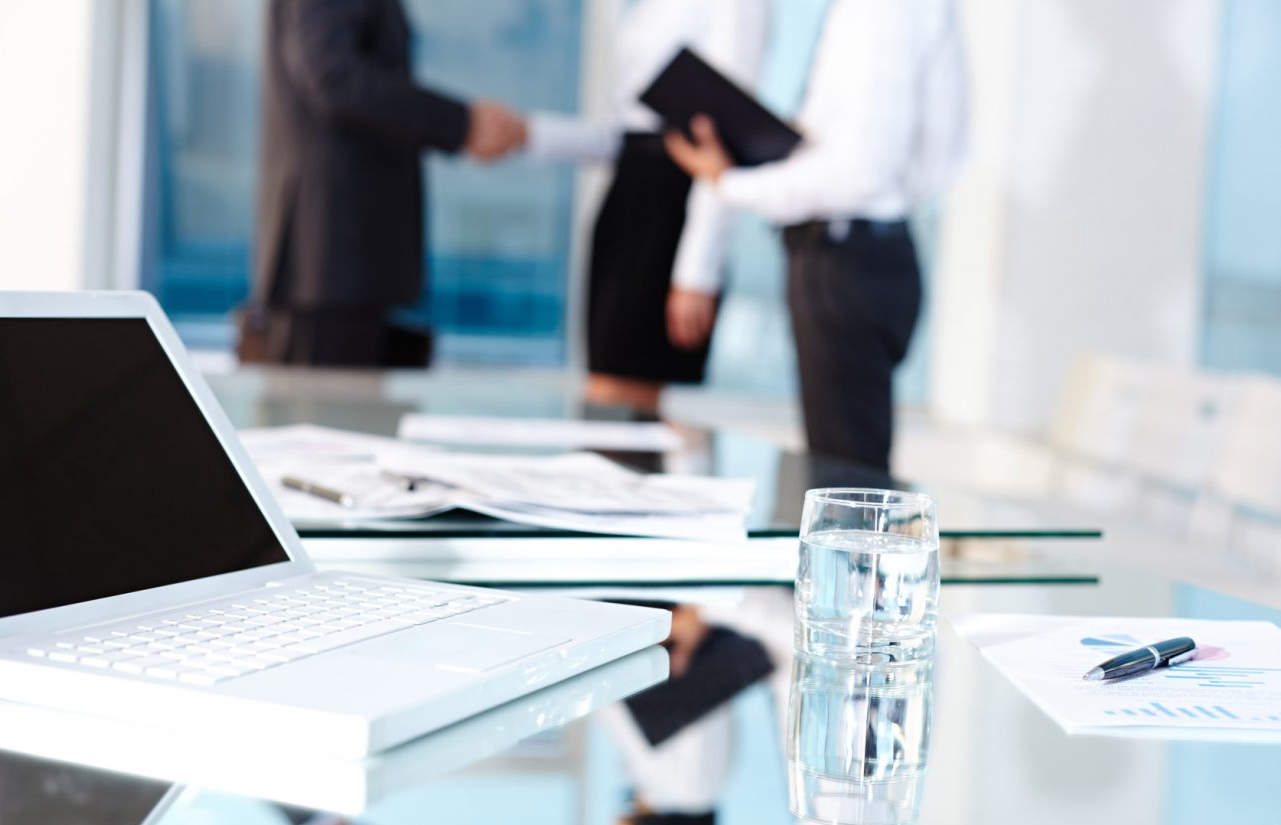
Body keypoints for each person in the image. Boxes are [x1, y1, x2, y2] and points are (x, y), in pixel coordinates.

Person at [666, 0, 965, 472]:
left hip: (845, 259)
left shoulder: (881, 12)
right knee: (845, 474)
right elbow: (934, 156)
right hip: (860, 250)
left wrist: (731, 182)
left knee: (847, 485)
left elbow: (861, 172)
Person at [248, 0, 526, 367]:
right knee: (325, 416)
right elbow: (334, 76)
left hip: (343, 264)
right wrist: (460, 124)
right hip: (330, 262)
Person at [524, 0, 767, 413]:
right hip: (628, 192)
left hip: (673, 204)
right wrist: (531, 134)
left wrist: (697, 269)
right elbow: (630, 133)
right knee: (605, 390)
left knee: (623, 398)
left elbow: (721, 137)